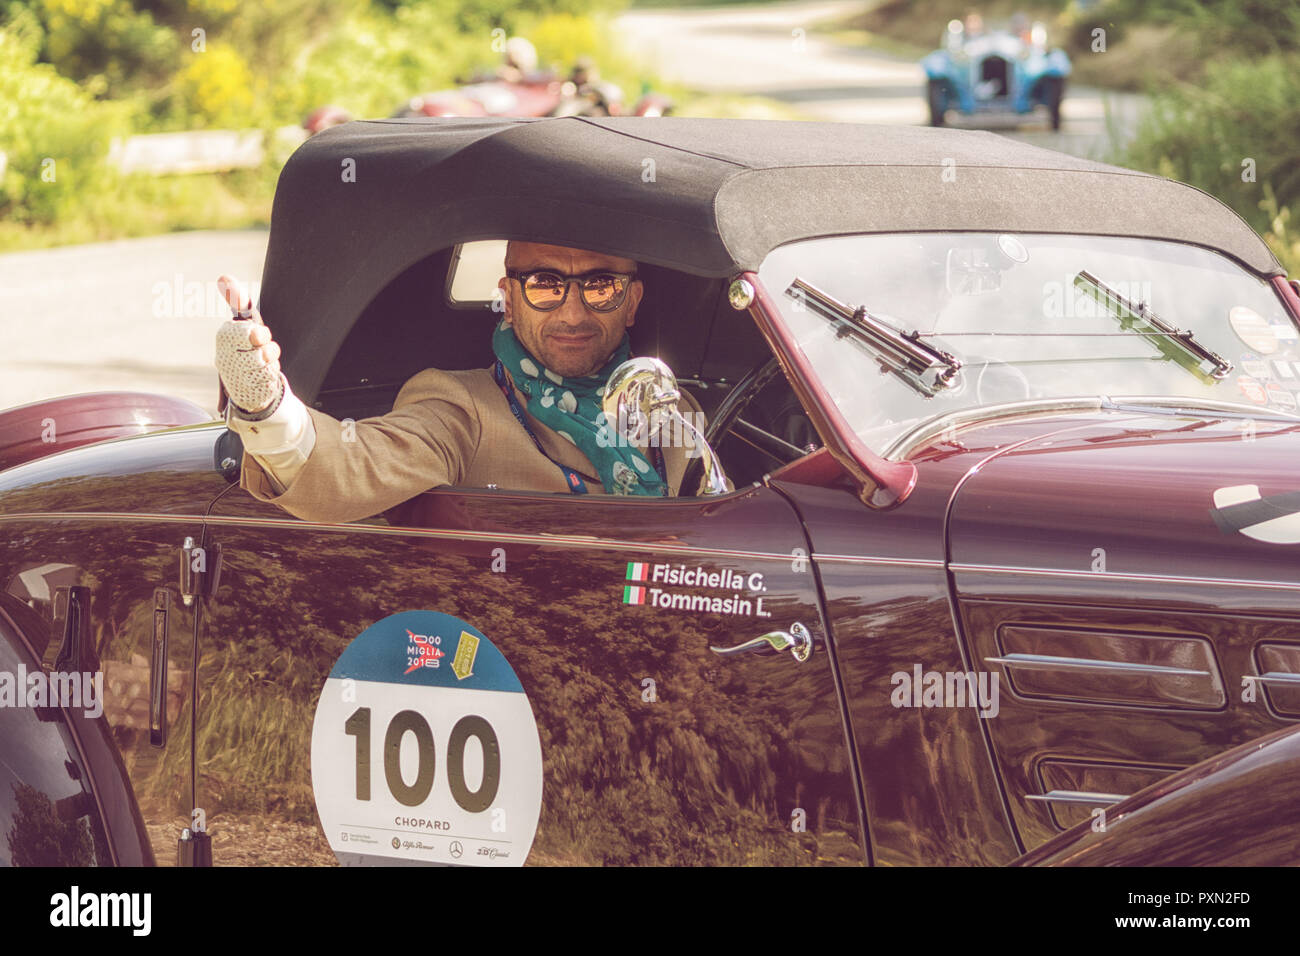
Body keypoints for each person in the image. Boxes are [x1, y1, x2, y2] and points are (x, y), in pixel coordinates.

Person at [215, 241, 713, 524]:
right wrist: (267, 406)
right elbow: (356, 465)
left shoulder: (666, 401)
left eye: (601, 286)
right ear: (509, 299)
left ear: (632, 302)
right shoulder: (464, 406)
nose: (573, 312)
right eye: (545, 285)